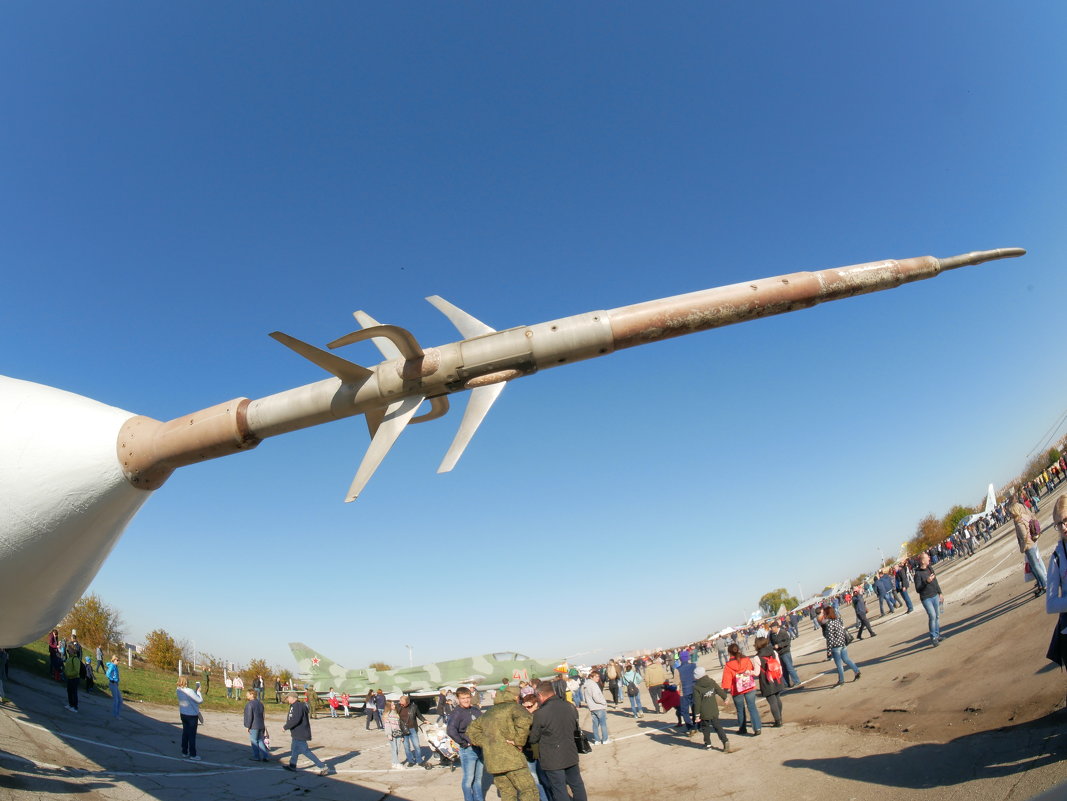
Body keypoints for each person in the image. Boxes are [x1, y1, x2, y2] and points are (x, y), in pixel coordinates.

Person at [467, 685, 539, 801]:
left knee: (507, 794)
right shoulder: (514, 707)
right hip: (513, 760)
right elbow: (525, 719)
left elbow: (471, 730)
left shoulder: (488, 713)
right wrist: (518, 741)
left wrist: (486, 742)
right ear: (514, 697)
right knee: (529, 791)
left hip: (494, 762)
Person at [528, 684, 587, 801]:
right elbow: (575, 727)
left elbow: (534, 738)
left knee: (559, 789)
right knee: (577, 784)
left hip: (552, 758)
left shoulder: (541, 713)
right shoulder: (570, 706)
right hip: (570, 752)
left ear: (540, 695)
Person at [447, 686, 485, 801]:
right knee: (468, 780)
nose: (466, 700)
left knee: (478, 779)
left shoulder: (475, 710)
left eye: (468, 697)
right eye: (463, 698)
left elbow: (485, 724)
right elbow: (451, 730)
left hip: (480, 749)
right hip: (468, 751)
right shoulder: (457, 713)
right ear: (458, 699)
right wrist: (463, 743)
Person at [1044, 495, 1067, 676]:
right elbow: (1050, 604)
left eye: (1066, 520)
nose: (1064, 527)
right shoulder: (1057, 558)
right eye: (1059, 523)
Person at [282, 691, 330, 775]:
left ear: (293, 698)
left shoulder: (298, 706)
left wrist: (286, 727)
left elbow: (296, 719)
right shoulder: (294, 706)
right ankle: (292, 765)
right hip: (296, 732)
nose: (287, 699)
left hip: (301, 732)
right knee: (294, 749)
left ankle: (322, 766)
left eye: (288, 697)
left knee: (305, 751)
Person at [720, 643, 761, 735]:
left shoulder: (728, 665)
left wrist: (724, 693)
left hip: (737, 689)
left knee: (740, 709)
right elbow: (752, 669)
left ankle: (742, 728)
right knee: (752, 707)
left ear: (730, 653)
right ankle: (757, 728)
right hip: (749, 686)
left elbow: (727, 680)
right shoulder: (746, 659)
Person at [518, 694, 551, 801]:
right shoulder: (523, 718)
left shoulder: (540, 716)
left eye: (529, 706)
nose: (527, 709)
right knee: (536, 781)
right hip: (528, 754)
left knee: (545, 781)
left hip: (541, 754)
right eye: (524, 707)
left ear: (536, 704)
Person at [691, 665, 731, 752]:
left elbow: (697, 702)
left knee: (705, 728)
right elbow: (719, 690)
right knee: (717, 726)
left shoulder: (696, 687)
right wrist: (725, 697)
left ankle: (708, 744)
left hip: (704, 712)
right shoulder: (711, 681)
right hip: (714, 709)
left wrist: (697, 715)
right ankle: (725, 740)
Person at [817, 606, 861, 685]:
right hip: (842, 643)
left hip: (836, 646)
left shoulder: (829, 623)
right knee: (846, 659)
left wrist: (829, 651)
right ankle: (856, 671)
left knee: (839, 664)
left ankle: (841, 680)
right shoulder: (838, 620)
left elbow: (830, 638)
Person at [1012, 502, 1048, 597]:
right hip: (1033, 541)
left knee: (1035, 566)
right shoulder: (1024, 516)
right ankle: (1041, 584)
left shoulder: (1018, 521)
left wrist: (1022, 546)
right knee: (1035, 565)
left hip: (1028, 545)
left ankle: (1044, 585)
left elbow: (1023, 535)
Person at [914, 551, 945, 646]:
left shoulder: (930, 568)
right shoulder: (918, 574)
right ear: (923, 561)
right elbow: (918, 589)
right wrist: (926, 582)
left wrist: (940, 593)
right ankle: (933, 637)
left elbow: (935, 581)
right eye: (927, 558)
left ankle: (937, 634)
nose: (929, 559)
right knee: (932, 616)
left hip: (935, 595)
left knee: (937, 616)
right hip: (926, 598)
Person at [753, 637, 784, 726]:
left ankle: (778, 721)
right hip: (776, 677)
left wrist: (749, 672)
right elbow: (779, 664)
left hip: (766, 680)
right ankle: (780, 717)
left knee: (772, 701)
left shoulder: (757, 657)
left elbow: (756, 672)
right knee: (777, 698)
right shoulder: (773, 652)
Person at [397, 694, 429, 768]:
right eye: (400, 702)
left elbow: (419, 715)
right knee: (406, 746)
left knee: (416, 746)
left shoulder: (414, 707)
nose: (401, 703)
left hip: (413, 729)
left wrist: (424, 720)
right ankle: (410, 761)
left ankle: (419, 760)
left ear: (407, 702)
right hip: (403, 730)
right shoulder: (398, 707)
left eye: (402, 702)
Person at [768, 620, 801, 688]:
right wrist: (773, 647)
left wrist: (779, 645)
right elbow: (770, 643)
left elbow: (788, 642)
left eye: (772, 628)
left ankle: (796, 681)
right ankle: (786, 683)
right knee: (783, 669)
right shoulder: (771, 634)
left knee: (789, 667)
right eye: (771, 628)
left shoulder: (783, 632)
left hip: (785, 652)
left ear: (776, 627)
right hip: (779, 653)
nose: (771, 629)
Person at [176, 677, 204, 760]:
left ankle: (184, 751)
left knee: (185, 733)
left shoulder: (178, 690)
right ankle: (193, 754)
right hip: (191, 715)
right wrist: (198, 692)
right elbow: (199, 700)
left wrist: (195, 692)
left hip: (183, 713)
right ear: (186, 682)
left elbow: (191, 697)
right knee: (192, 735)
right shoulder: (189, 691)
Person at [583, 670, 609, 745]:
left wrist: (589, 703)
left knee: (595, 725)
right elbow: (596, 697)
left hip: (592, 707)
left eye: (598, 676)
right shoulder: (593, 684)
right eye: (596, 676)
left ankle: (597, 740)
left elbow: (584, 698)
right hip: (598, 707)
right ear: (591, 677)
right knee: (603, 724)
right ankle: (605, 739)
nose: (598, 678)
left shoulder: (585, 685)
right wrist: (603, 702)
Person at [244, 689, 270, 761]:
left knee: (254, 741)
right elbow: (263, 715)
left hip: (254, 726)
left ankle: (256, 756)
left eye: (248, 694)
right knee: (260, 740)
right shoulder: (260, 703)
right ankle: (265, 756)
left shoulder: (249, 704)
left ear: (252, 694)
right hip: (261, 725)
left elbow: (249, 716)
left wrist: (247, 726)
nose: (246, 695)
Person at [383, 700, 406, 769]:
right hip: (392, 733)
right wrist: (389, 734)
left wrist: (402, 735)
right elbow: (387, 725)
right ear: (389, 706)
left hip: (398, 733)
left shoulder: (396, 714)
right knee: (394, 748)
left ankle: (394, 762)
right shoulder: (387, 715)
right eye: (392, 705)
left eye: (394, 705)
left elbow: (399, 725)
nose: (394, 706)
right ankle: (397, 763)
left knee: (397, 748)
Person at [62, 646, 81, 713]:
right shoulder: (70, 658)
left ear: (74, 651)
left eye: (70, 649)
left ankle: (75, 707)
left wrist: (69, 674)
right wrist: (65, 672)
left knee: (74, 692)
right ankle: (70, 704)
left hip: (74, 678)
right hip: (69, 678)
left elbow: (76, 671)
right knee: (69, 691)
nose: (68, 650)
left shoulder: (75, 659)